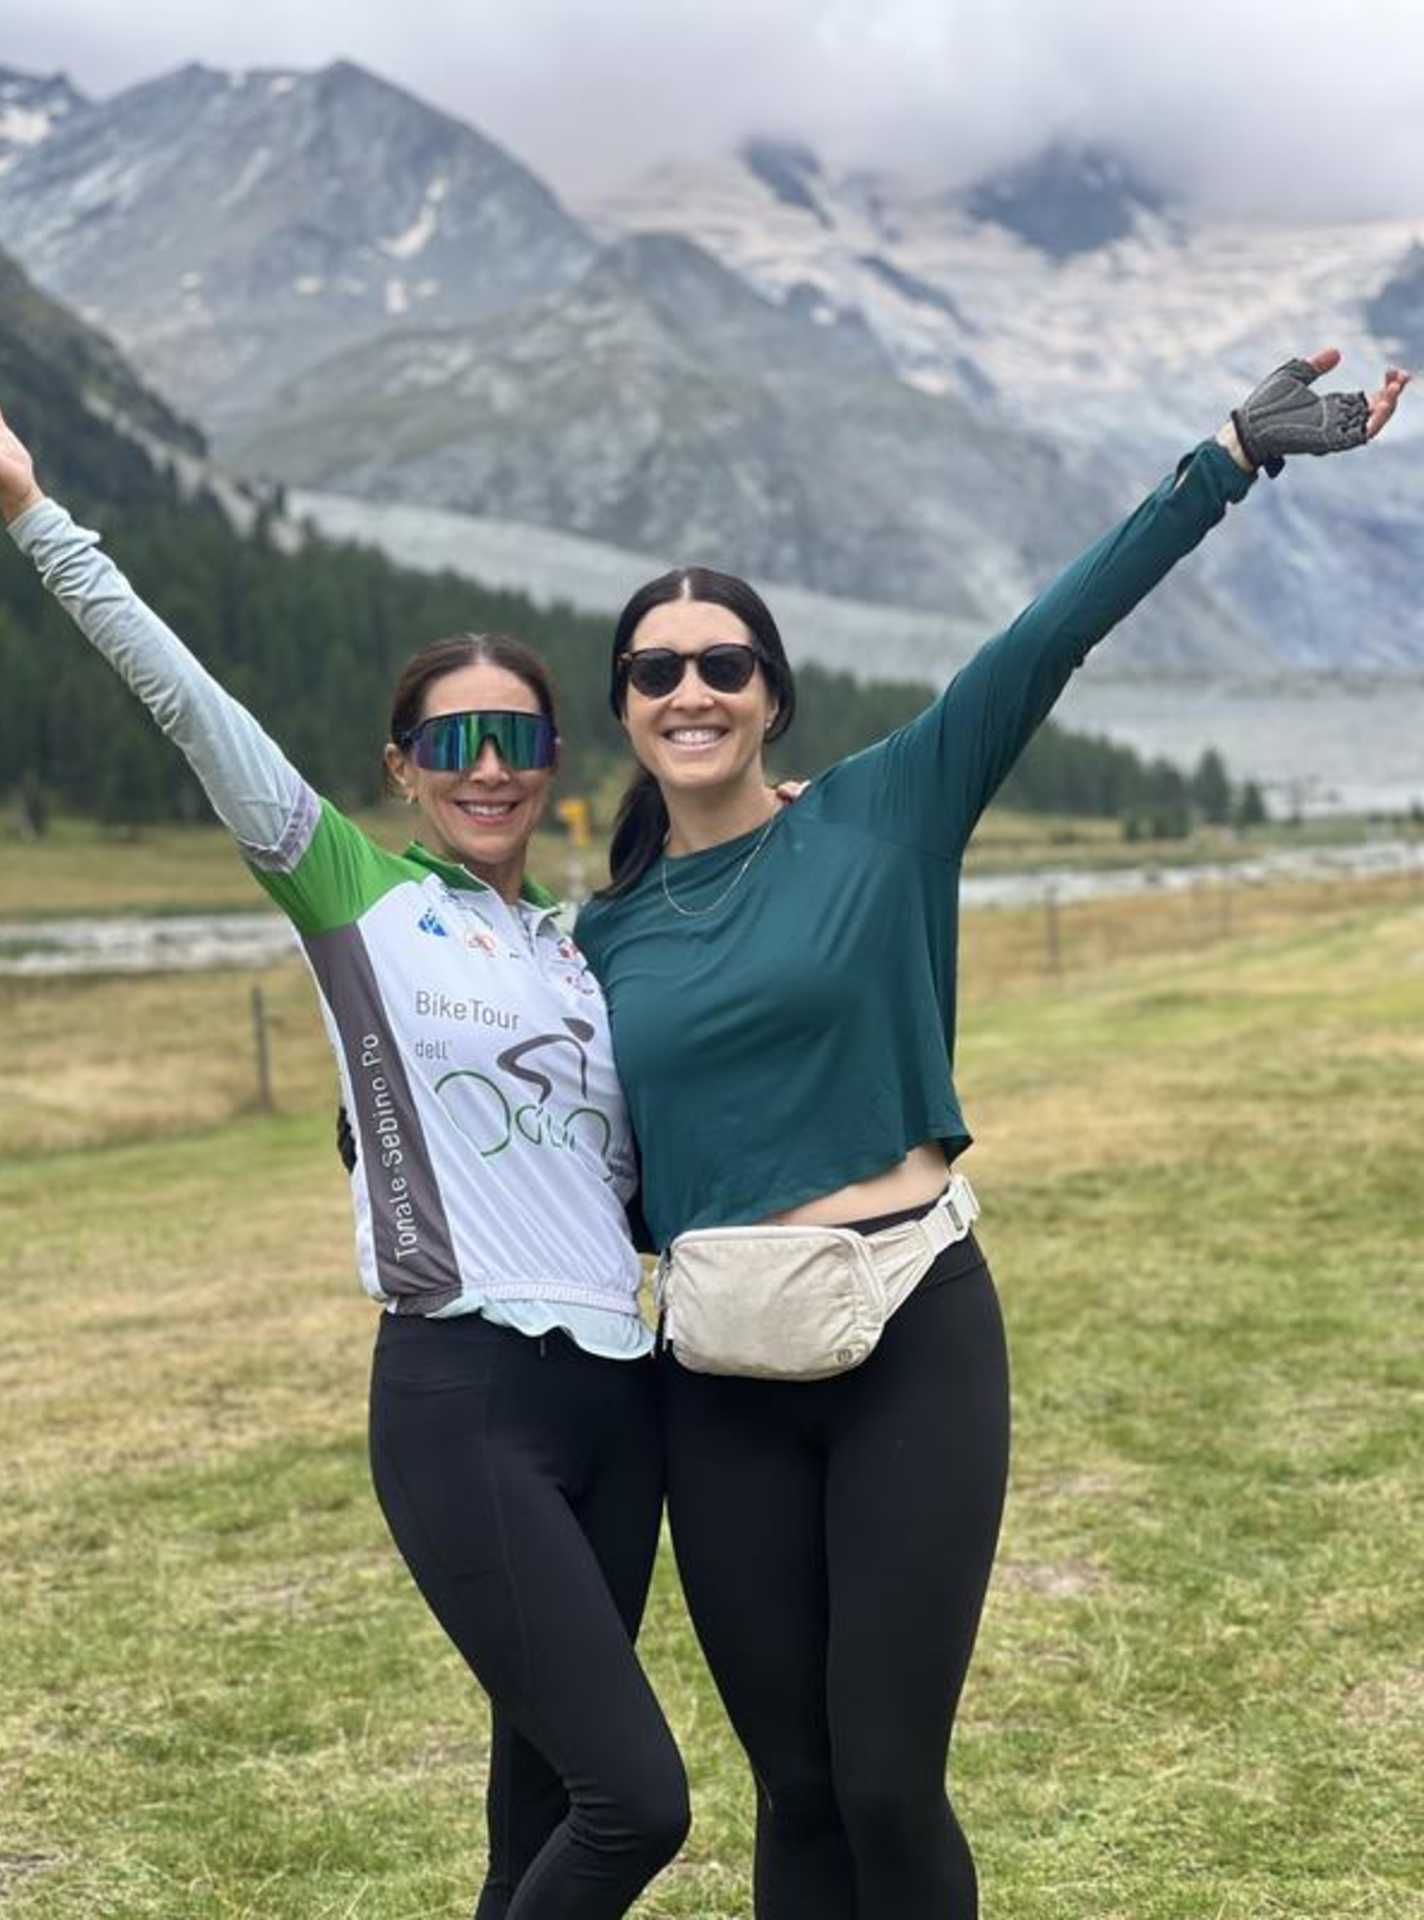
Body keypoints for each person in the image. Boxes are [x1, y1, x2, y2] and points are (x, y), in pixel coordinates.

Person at [573, 350, 1410, 1920]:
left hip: (910, 1336)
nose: (692, 688)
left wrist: (1228, 454)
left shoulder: (886, 811)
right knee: (799, 1789)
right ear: (624, 706)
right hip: (718, 1377)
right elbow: (527, 1110)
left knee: (888, 1779)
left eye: (726, 664)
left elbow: (1051, 636)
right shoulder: (598, 941)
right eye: (657, 667)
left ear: (773, 695)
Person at [0, 392, 689, 1920]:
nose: (490, 767)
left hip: (620, 1405)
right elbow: (189, 705)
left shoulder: (579, 955)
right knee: (640, 1805)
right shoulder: (353, 891)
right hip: (464, 1397)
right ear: (403, 765)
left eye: (517, 740)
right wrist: (35, 514)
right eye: (457, 741)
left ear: (554, 757)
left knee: (546, 1807)